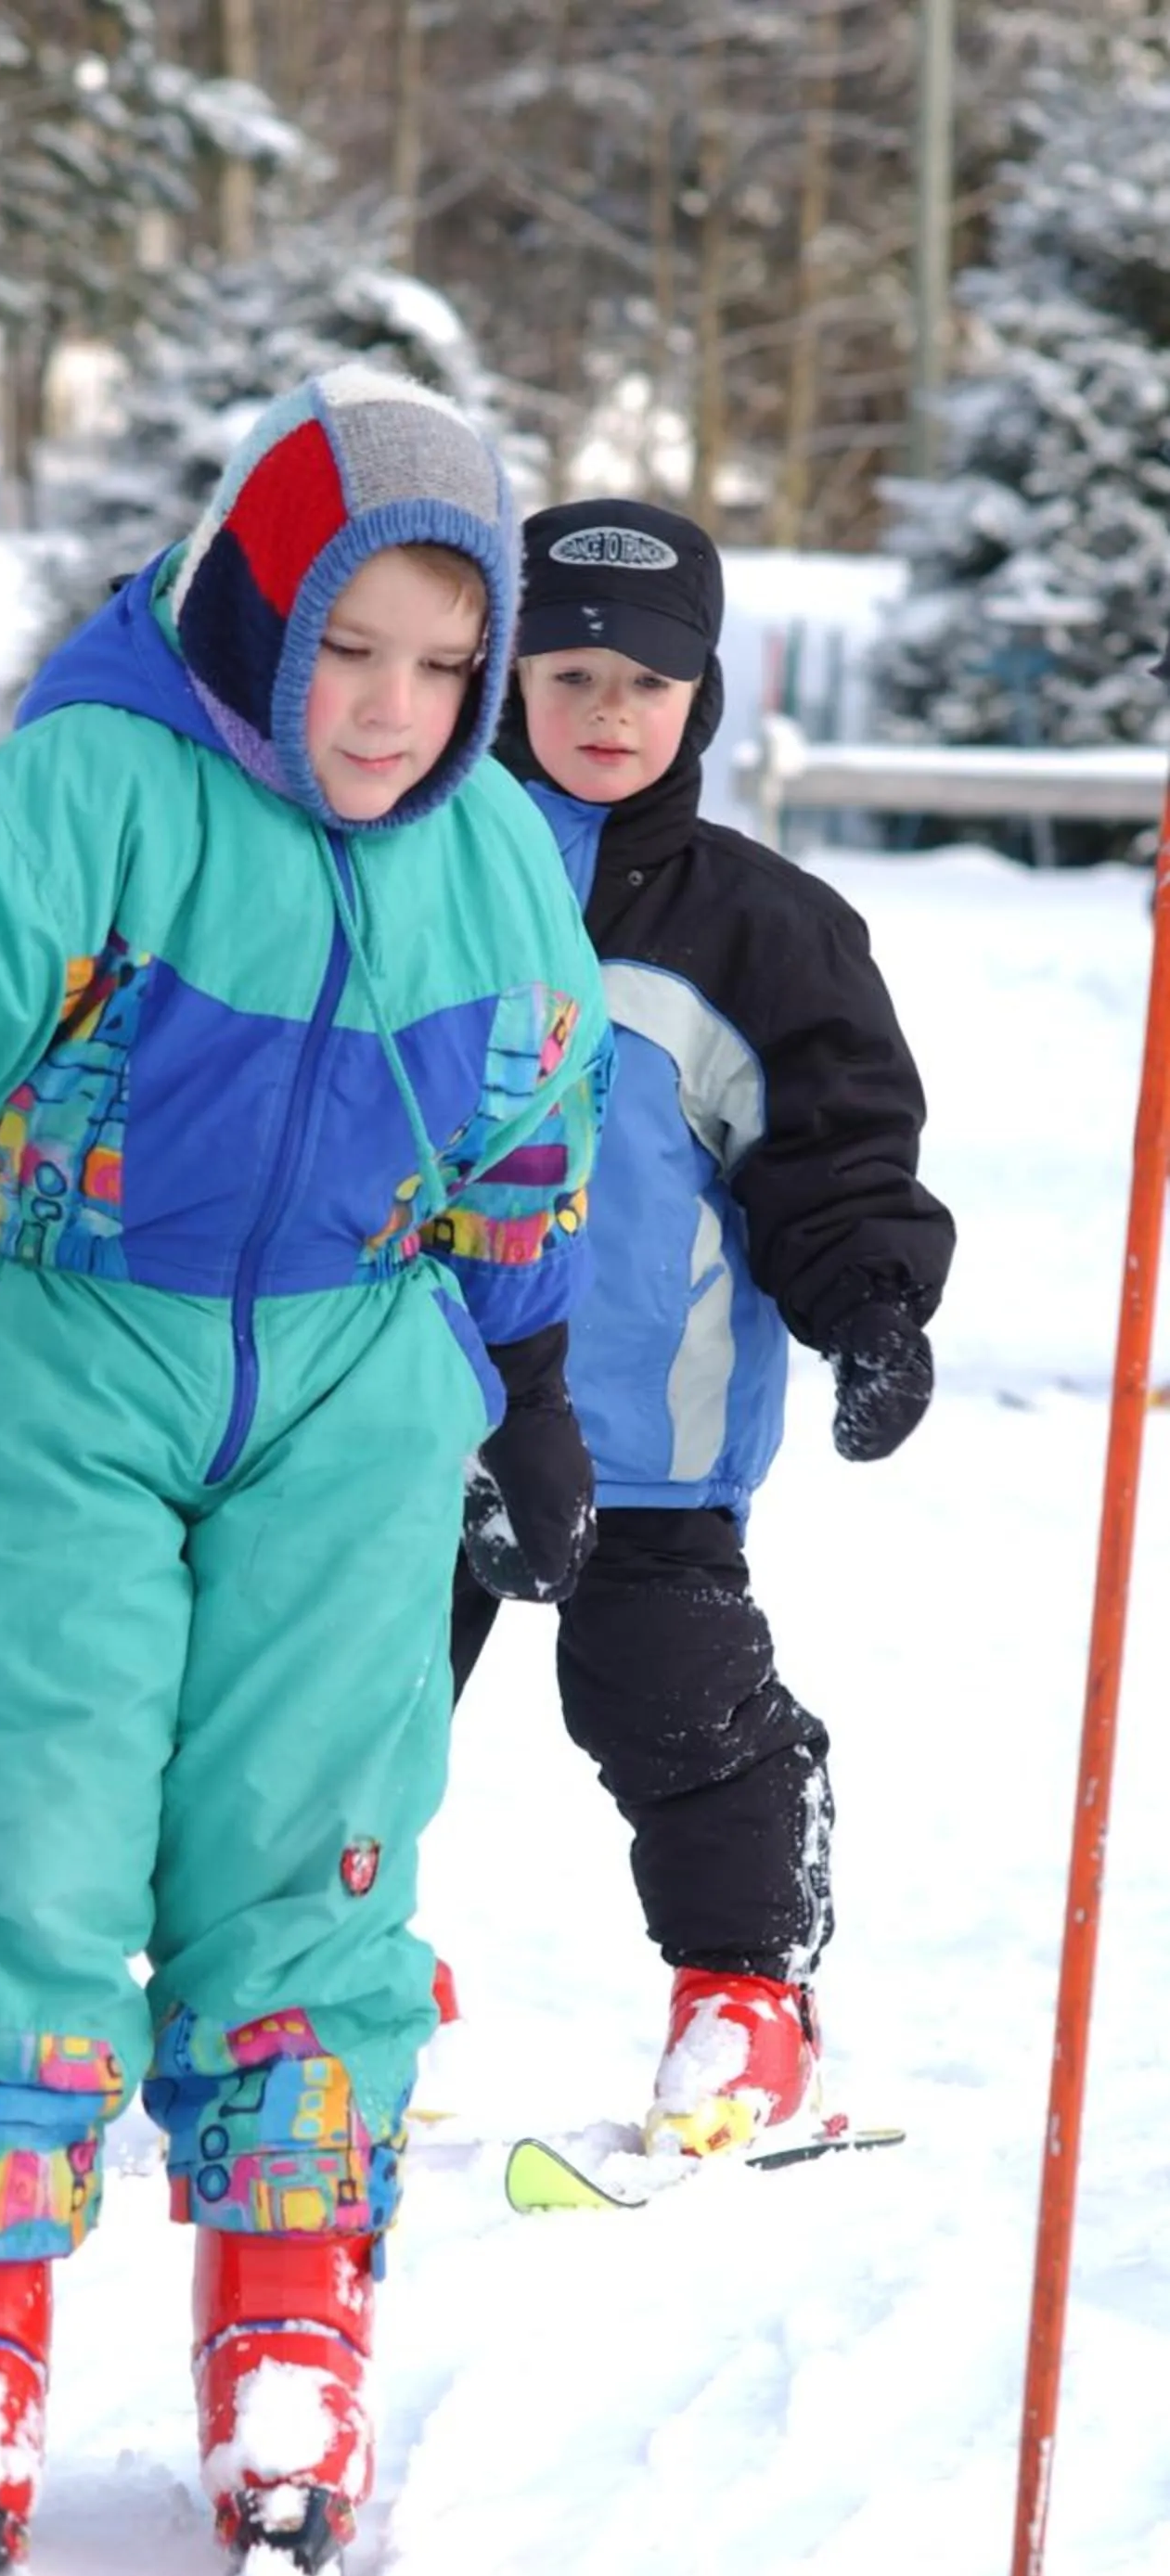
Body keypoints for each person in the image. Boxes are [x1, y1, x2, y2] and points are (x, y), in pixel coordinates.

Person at [0, 367, 611, 2576]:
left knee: (312, 1847)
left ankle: (290, 2311)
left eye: (441, 663)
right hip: (64, 1353)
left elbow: (524, 1123)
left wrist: (532, 1378)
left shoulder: (493, 851)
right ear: (255, 611)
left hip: (350, 1386)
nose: (393, 710)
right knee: (20, 1829)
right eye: (352, 648)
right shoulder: (96, 784)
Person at [453, 496, 955, 2160]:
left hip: (643, 1439)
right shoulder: (411, 872)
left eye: (646, 685)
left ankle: (743, 2005)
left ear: (701, 699)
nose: (607, 712)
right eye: (570, 672)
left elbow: (830, 1155)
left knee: (674, 1716)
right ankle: (312, 1993)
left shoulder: (761, 926)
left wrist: (868, 1308)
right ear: (503, 677)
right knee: (332, 1715)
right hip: (400, 1420)